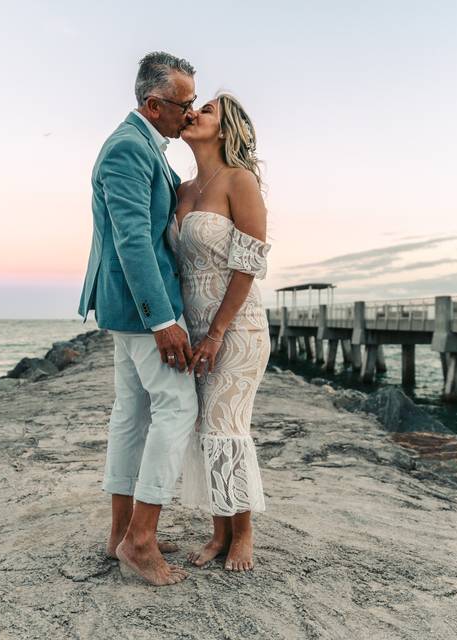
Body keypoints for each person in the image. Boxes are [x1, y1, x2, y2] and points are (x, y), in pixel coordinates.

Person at [77, 51, 199, 586]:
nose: (190, 113)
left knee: (132, 414)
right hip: (139, 309)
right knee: (177, 406)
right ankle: (141, 541)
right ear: (154, 104)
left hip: (126, 309)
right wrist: (161, 319)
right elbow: (132, 240)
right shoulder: (128, 148)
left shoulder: (145, 142)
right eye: (183, 103)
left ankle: (121, 532)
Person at [171, 93, 272, 572]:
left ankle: (244, 533)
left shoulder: (239, 180)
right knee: (203, 430)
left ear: (227, 129)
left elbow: (249, 262)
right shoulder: (181, 188)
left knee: (226, 426)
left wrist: (216, 332)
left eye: (206, 109)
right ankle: (218, 532)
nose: (194, 112)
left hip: (236, 327)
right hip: (193, 329)